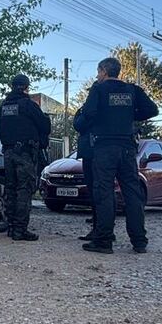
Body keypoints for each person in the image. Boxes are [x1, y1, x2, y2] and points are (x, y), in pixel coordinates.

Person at [79, 58, 159, 253]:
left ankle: (103, 241)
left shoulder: (98, 89)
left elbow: (88, 113)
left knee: (104, 192)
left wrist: (94, 120)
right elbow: (152, 109)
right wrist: (130, 114)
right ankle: (139, 241)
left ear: (104, 71)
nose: (97, 75)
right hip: (127, 147)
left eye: (98, 71)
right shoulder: (132, 90)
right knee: (132, 193)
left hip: (105, 147)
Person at [0, 74, 52, 241]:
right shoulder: (28, 104)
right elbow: (45, 126)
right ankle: (20, 229)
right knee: (24, 189)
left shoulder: (4, 106)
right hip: (24, 153)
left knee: (11, 189)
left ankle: (11, 226)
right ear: (26, 87)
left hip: (8, 152)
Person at [72, 90, 97, 241]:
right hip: (102, 152)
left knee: (96, 191)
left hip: (91, 152)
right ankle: (102, 225)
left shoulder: (90, 108)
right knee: (101, 191)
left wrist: (80, 113)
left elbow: (78, 124)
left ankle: (99, 228)